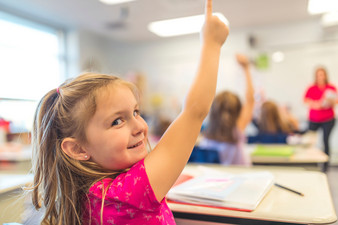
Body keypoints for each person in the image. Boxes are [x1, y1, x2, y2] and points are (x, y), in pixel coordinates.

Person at [29, 0, 229, 224]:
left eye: (135, 112)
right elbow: (195, 111)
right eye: (116, 121)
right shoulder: (127, 194)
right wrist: (212, 43)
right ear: (77, 148)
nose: (140, 126)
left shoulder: (86, 190)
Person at [198, 53, 254, 166]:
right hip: (240, 179)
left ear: (213, 111)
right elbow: (250, 101)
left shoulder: (206, 135)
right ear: (238, 112)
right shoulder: (236, 131)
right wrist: (246, 68)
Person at [304, 66, 337, 172]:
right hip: (314, 119)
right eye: (318, 75)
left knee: (325, 141)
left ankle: (325, 166)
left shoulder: (331, 88)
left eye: (322, 74)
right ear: (316, 76)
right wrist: (315, 104)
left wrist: (330, 102)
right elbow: (305, 100)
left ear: (325, 75)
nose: (320, 77)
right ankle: (311, 162)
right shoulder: (311, 88)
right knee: (311, 141)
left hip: (328, 119)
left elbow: (336, 101)